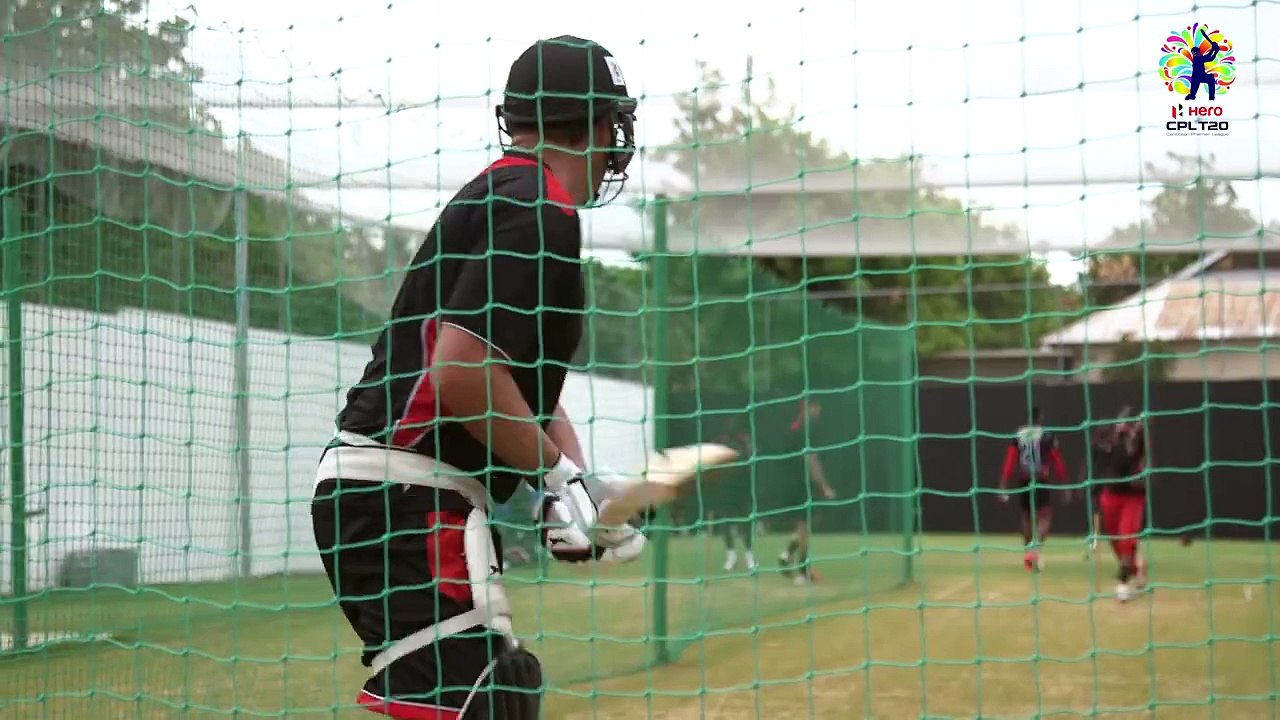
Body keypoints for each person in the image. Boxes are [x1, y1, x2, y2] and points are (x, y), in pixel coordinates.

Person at [310, 35, 642, 720]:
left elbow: (518, 391)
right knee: (483, 704)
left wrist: (580, 491)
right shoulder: (536, 207)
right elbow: (461, 373)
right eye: (615, 122)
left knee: (500, 690)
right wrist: (559, 483)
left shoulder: (516, 194)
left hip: (398, 494)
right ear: (601, 122)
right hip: (402, 497)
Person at [998, 406, 1068, 572]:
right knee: (1045, 516)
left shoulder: (1018, 435)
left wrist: (1003, 483)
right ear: (1040, 417)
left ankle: (1029, 551)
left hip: (1023, 478)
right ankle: (1035, 551)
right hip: (1040, 478)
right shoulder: (1046, 435)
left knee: (1027, 516)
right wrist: (1064, 481)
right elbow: (1056, 459)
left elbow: (1010, 459)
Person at [776, 400, 837, 585]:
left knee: (808, 524)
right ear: (807, 409)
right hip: (799, 485)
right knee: (804, 527)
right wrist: (824, 486)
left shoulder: (795, 428)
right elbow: (812, 461)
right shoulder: (804, 431)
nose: (819, 412)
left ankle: (787, 554)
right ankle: (803, 572)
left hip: (793, 483)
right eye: (816, 408)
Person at [1094, 407, 1151, 602]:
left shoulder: (1141, 447)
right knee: (1115, 541)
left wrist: (1139, 479)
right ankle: (1137, 567)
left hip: (1132, 499)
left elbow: (1145, 470)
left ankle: (1122, 584)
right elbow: (1105, 467)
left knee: (1127, 540)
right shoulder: (1109, 445)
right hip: (1111, 496)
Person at [711, 417, 757, 572]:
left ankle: (749, 555)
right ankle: (731, 556)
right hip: (726, 487)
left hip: (742, 487)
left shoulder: (745, 440)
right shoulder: (721, 441)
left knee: (746, 521)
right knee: (726, 522)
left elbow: (751, 458)